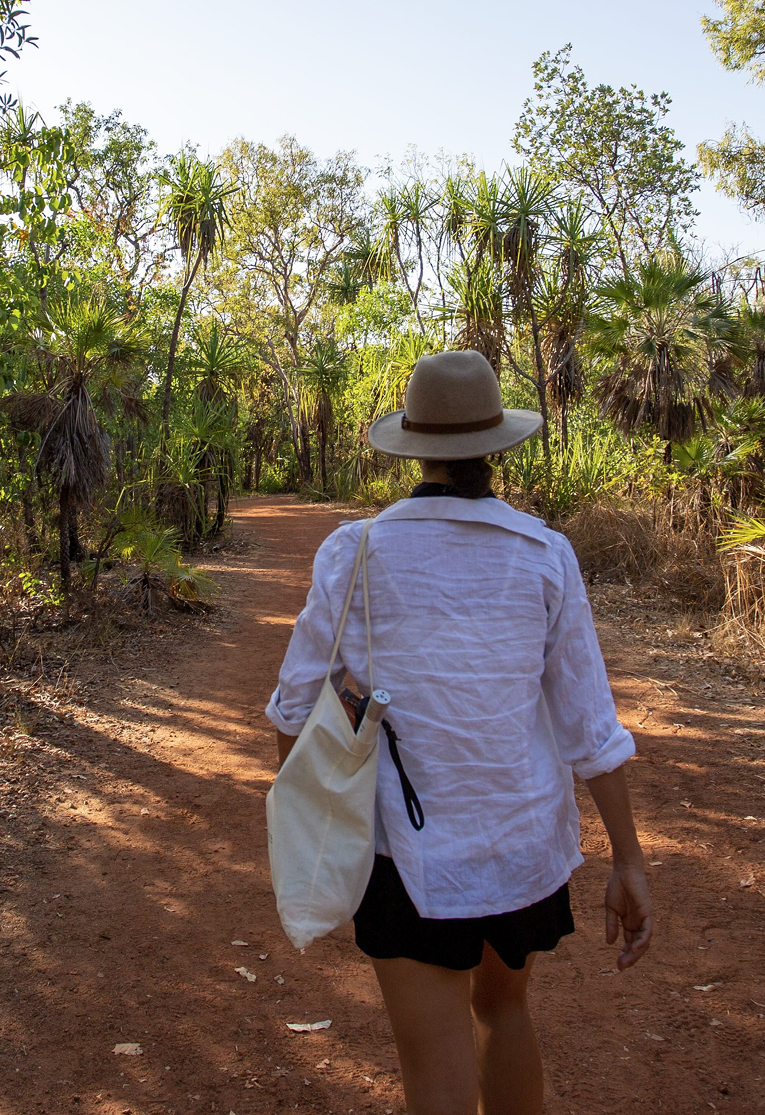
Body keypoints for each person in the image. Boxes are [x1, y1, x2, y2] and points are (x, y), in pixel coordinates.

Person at [265, 350, 652, 1115]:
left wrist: (311, 816)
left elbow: (293, 705)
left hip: (403, 857)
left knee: (434, 1068)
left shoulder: (354, 551)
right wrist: (628, 859)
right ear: (494, 444)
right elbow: (589, 725)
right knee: (504, 1010)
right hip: (520, 848)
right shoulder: (543, 553)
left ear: (412, 446)